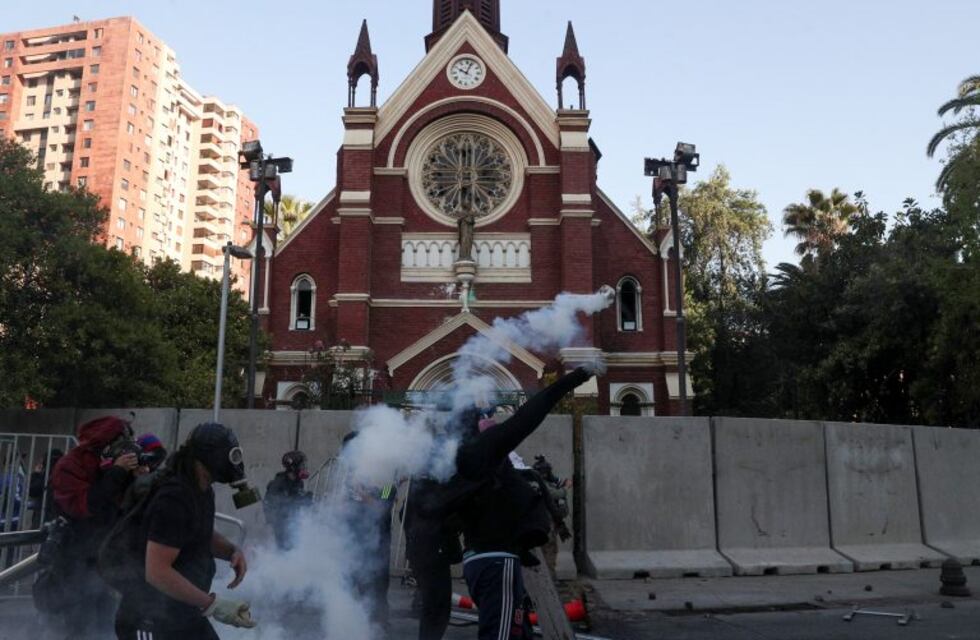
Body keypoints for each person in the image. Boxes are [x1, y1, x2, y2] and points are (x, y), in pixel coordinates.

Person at [448, 366, 597, 640]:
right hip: (496, 562)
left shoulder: (454, 457)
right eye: (486, 413)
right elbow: (530, 414)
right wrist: (577, 376)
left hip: (480, 558)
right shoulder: (482, 450)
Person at [112, 422, 255, 640]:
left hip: (183, 613)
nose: (232, 462)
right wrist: (212, 604)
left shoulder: (201, 490)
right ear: (207, 457)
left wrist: (231, 551)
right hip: (149, 620)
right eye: (228, 455)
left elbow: (198, 533)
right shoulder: (174, 498)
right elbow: (157, 571)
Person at [41, 416, 141, 640]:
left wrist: (137, 479)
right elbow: (87, 506)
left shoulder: (106, 467)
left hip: (103, 560)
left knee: (104, 623)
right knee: (77, 624)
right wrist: (116, 473)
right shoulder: (71, 466)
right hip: (73, 558)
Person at [342, 430, 398, 633]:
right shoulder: (350, 479)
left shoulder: (384, 482)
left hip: (377, 546)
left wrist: (363, 494)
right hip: (353, 543)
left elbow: (382, 507)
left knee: (376, 590)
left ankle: (379, 627)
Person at [263, 450, 313, 550]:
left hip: (294, 524)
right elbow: (271, 505)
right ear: (293, 467)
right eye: (301, 465)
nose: (304, 467)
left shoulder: (298, 482)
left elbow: (297, 501)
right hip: (280, 526)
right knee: (285, 552)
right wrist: (298, 501)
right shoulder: (278, 483)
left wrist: (306, 500)